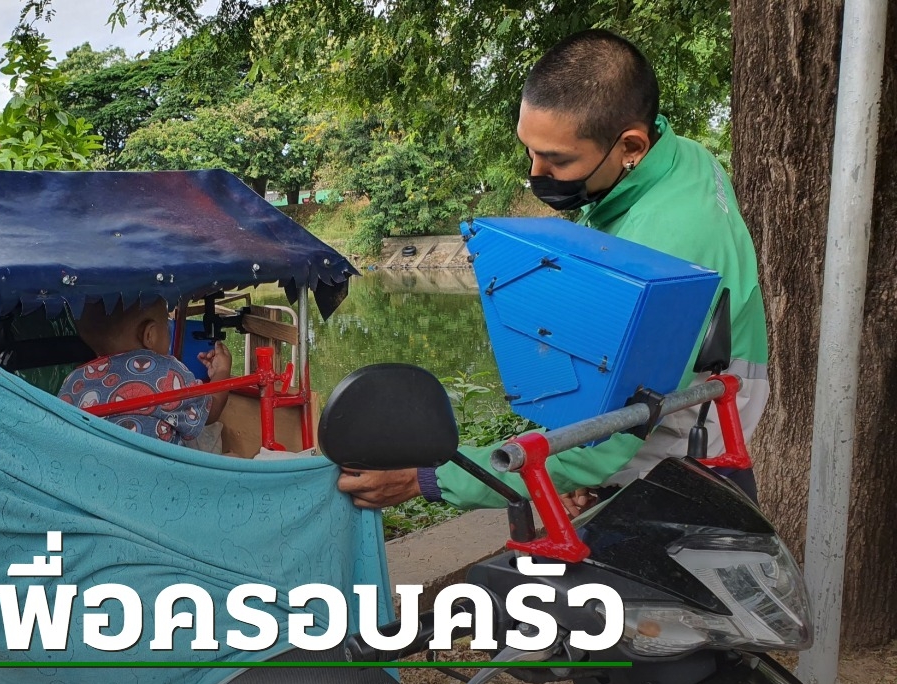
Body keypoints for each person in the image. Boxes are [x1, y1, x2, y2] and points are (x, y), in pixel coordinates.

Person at [338, 29, 770, 515]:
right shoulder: (679, 159)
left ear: (630, 145)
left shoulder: (663, 250)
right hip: (681, 430)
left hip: (678, 472)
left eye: (558, 160)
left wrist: (428, 478)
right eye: (531, 150)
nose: (535, 173)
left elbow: (600, 442)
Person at [60, 297, 233, 447]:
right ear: (150, 335)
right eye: (167, 325)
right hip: (156, 474)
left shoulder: (73, 381)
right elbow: (210, 411)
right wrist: (222, 371)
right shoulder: (167, 372)